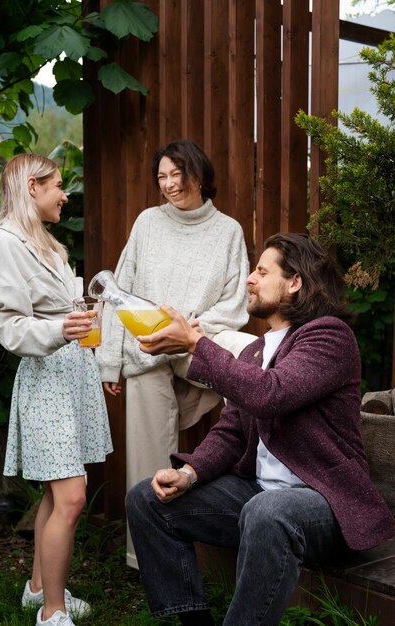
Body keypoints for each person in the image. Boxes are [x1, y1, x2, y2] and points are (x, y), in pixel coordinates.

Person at [125, 232, 395, 626]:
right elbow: (232, 431)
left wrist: (197, 344)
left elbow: (272, 394)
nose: (249, 279)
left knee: (268, 510)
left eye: (261, 271)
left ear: (295, 281)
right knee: (146, 500)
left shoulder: (329, 336)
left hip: (325, 503)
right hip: (259, 498)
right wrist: (187, 474)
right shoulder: (255, 350)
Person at [96, 139, 252, 568]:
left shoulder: (228, 231)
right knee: (145, 446)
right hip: (146, 350)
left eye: (176, 174)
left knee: (244, 361)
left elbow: (233, 302)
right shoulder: (147, 222)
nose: (168, 184)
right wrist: (111, 361)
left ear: (198, 174)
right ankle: (145, 559)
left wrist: (190, 330)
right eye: (161, 177)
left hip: (194, 343)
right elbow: (118, 292)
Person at [0, 154, 113, 626]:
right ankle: (52, 614)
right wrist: (63, 326)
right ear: (32, 186)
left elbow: (56, 309)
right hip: (46, 376)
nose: (65, 193)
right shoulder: (4, 246)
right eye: (58, 185)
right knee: (72, 497)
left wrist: (81, 313)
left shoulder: (48, 243)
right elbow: (10, 327)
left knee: (58, 495)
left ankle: (38, 589)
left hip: (71, 371)